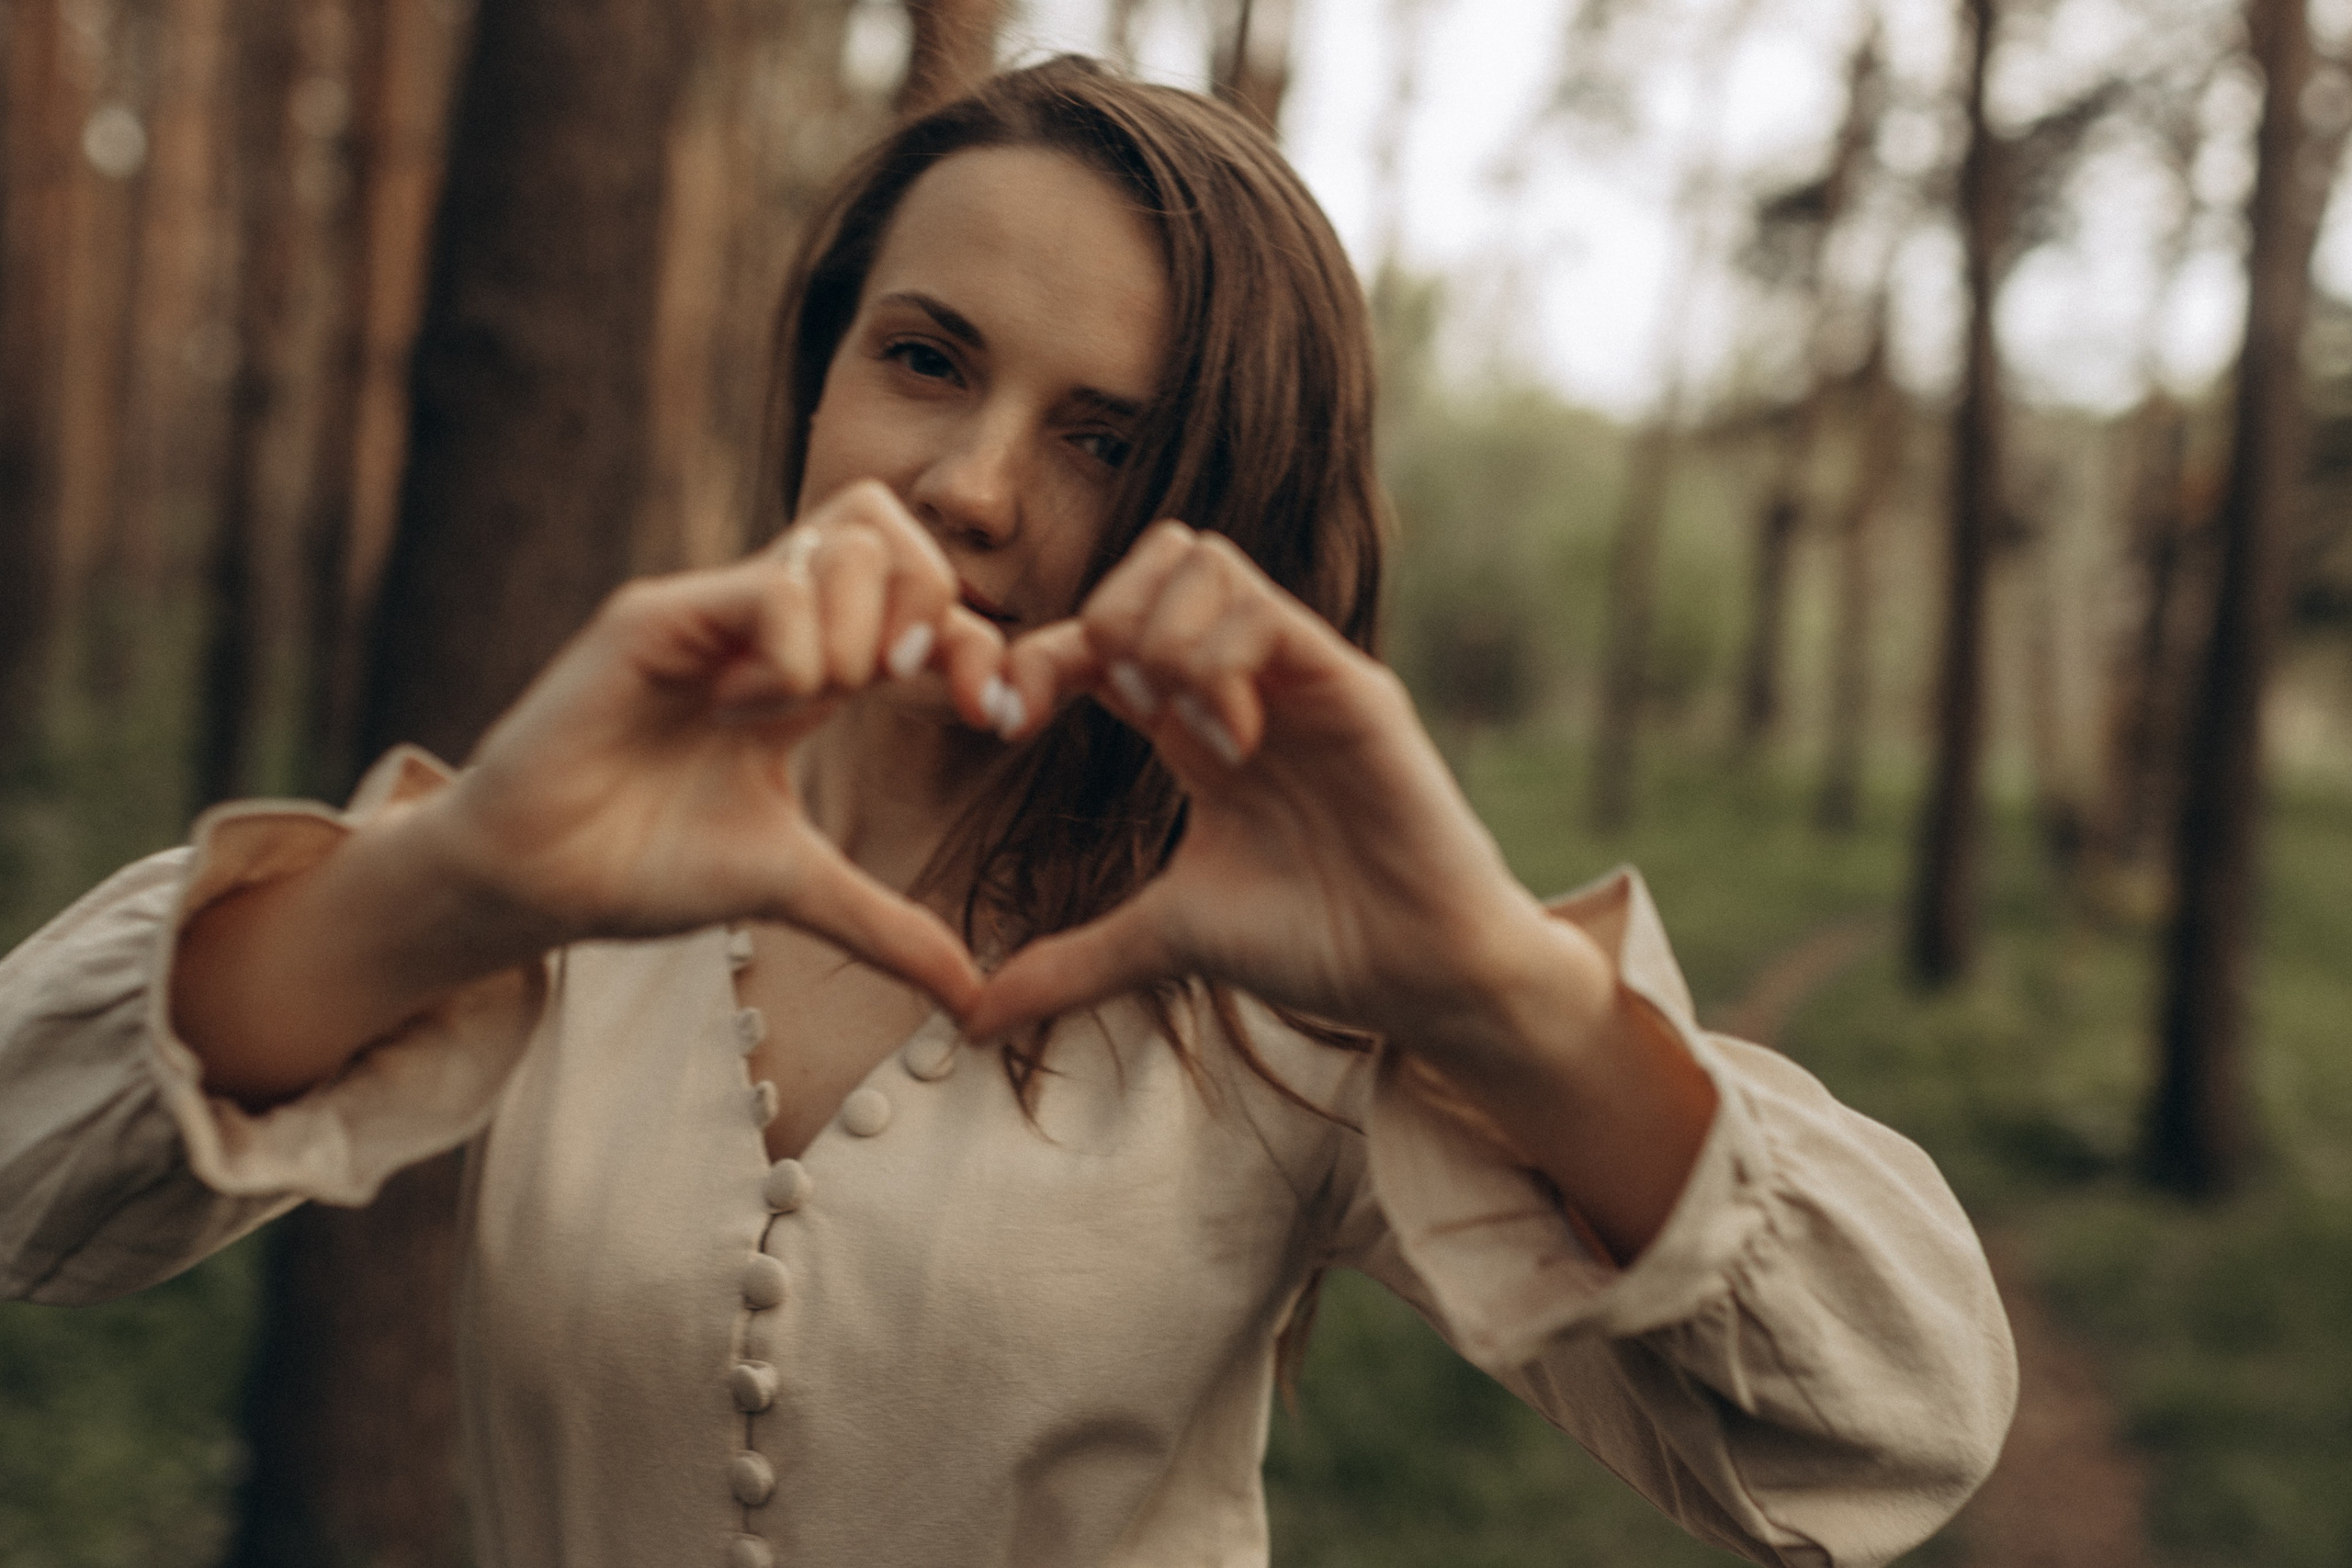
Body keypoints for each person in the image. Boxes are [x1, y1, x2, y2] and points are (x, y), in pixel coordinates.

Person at [0, 56, 2013, 1568]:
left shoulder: (1280, 974)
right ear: (817, 379)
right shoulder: (584, 849)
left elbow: (1896, 1422)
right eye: (922, 359)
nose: (968, 482)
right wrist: (440, 885)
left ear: (1218, 510)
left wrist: (1494, 983)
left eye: (1105, 437)